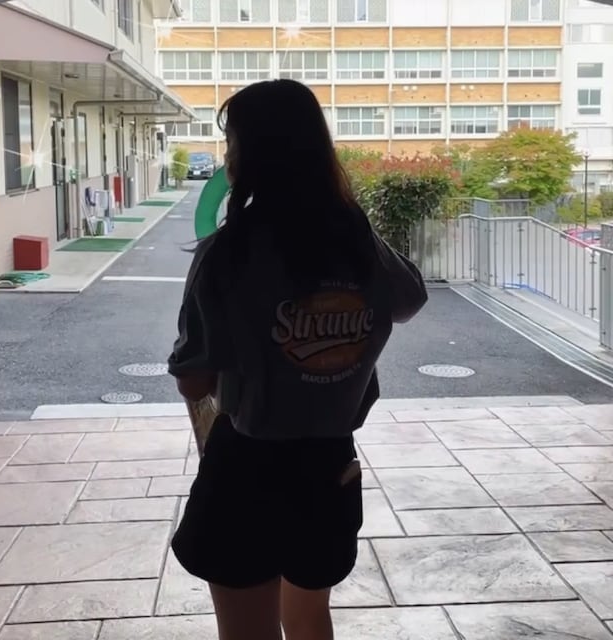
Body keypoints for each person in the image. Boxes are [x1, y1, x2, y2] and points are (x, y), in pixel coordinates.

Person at [167, 79, 427, 640]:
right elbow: (409, 301)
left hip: (247, 470)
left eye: (231, 142)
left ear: (248, 155)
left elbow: (193, 381)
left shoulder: (227, 253)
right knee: (309, 619)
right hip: (328, 465)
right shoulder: (358, 243)